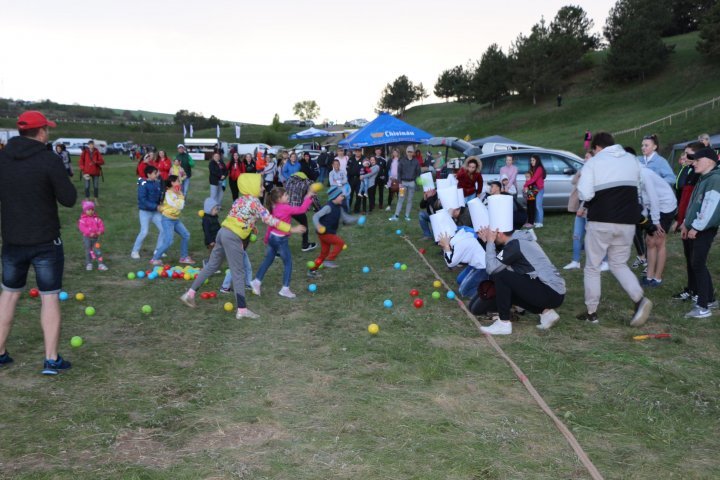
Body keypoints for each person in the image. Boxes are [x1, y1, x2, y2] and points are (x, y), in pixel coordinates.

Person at [0, 111, 77, 375]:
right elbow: (69, 198)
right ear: (41, 132)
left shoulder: (2, 158)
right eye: (47, 129)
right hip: (45, 241)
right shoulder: (48, 160)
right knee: (49, 297)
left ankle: (0, 352)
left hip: (12, 241)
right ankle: (51, 359)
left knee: (8, 295)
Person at [180, 174, 305, 318]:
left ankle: (189, 294)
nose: (263, 188)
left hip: (222, 233)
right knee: (238, 272)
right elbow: (271, 220)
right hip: (232, 237)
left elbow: (239, 216)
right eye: (260, 185)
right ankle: (242, 310)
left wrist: (251, 226)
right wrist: (292, 229)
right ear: (252, 187)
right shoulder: (255, 203)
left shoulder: (240, 200)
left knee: (212, 266)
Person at [576, 132, 652, 327]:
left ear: (597, 147)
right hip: (627, 222)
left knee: (593, 267)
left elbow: (585, 193)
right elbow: (638, 188)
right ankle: (639, 299)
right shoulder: (632, 160)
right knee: (619, 264)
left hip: (601, 220)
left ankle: (592, 312)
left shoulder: (593, 162)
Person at [476, 226, 566, 335]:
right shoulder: (518, 240)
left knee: (500, 275)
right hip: (553, 292)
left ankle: (503, 323)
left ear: (499, 234)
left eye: (493, 234)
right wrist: (488, 242)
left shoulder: (515, 245)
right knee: (507, 287)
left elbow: (492, 268)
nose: (492, 236)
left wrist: (490, 242)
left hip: (551, 292)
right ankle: (546, 314)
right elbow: (499, 260)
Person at [251, 186, 316, 298]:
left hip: (272, 238)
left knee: (268, 259)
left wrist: (267, 239)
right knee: (288, 263)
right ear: (279, 199)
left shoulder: (275, 207)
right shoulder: (285, 208)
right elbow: (301, 210)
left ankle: (256, 281)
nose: (288, 196)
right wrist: (309, 197)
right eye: (286, 195)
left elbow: (271, 225)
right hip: (280, 240)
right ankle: (285, 289)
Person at [681, 147, 720, 318]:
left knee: (698, 263)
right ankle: (710, 299)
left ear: (710, 161)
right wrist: (685, 223)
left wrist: (697, 226)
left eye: (697, 160)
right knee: (697, 262)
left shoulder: (715, 180)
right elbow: (695, 204)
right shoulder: (704, 178)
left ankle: (703, 307)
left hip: (704, 229)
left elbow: (710, 207)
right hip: (697, 227)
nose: (694, 163)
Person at [672, 142, 704, 302]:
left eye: (688, 154)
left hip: (692, 222)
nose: (684, 157)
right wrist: (679, 219)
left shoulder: (699, 174)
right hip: (684, 220)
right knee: (688, 257)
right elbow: (684, 199)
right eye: (684, 154)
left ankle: (700, 292)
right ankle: (692, 289)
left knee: (695, 259)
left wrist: (686, 220)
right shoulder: (690, 171)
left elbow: (695, 201)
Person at [638, 166, 677, 287]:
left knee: (659, 241)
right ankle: (649, 276)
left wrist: (655, 221)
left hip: (665, 206)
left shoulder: (645, 174)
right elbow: (642, 198)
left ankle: (657, 278)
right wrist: (645, 218)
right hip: (653, 207)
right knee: (650, 241)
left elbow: (654, 198)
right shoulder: (632, 175)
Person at [309, 186, 358, 273]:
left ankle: (312, 270)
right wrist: (318, 226)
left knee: (324, 254)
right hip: (325, 233)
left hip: (328, 233)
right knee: (340, 243)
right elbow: (315, 216)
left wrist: (357, 219)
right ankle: (329, 260)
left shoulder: (339, 207)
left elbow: (346, 219)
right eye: (341, 195)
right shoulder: (328, 207)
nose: (343, 197)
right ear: (334, 197)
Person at [151, 175, 194, 266]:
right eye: (178, 181)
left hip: (175, 219)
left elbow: (180, 205)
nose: (180, 182)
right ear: (172, 183)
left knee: (186, 235)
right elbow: (180, 206)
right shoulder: (168, 194)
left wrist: (179, 195)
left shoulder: (176, 193)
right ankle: (155, 258)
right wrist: (181, 196)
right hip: (167, 220)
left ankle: (184, 257)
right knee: (169, 241)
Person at [438, 229, 488, 298]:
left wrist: (446, 246)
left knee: (464, 292)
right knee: (460, 280)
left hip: (484, 268)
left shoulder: (459, 244)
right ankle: (482, 283)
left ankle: (488, 291)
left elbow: (450, 263)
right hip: (475, 265)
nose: (439, 244)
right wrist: (446, 247)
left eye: (440, 241)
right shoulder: (458, 239)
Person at [131, 165, 164, 259]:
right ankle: (134, 251)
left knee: (163, 229)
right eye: (155, 173)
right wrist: (156, 206)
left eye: (157, 172)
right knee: (144, 232)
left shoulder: (157, 182)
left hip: (156, 212)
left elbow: (159, 195)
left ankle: (158, 250)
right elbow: (142, 200)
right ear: (149, 174)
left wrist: (161, 202)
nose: (157, 174)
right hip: (145, 212)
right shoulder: (143, 184)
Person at [285, 172, 318, 251]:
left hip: (285, 207)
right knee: (304, 223)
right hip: (296, 208)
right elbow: (314, 198)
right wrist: (318, 209)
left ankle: (277, 250)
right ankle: (305, 244)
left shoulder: (289, 180)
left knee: (282, 227)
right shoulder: (307, 182)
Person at [389, 146, 421, 221]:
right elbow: (399, 172)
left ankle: (407, 216)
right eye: (408, 151)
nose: (409, 153)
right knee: (401, 199)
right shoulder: (402, 161)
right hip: (403, 183)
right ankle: (396, 216)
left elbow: (418, 172)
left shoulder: (416, 161)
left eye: (411, 151)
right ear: (406, 152)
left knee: (409, 200)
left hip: (412, 183)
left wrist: (415, 180)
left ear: (413, 153)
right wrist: (400, 182)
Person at [77, 200, 107, 271]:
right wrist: (89, 233)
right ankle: (89, 263)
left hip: (96, 239)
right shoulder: (82, 220)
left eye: (92, 209)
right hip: (87, 238)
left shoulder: (97, 219)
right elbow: (82, 228)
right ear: (85, 210)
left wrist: (100, 231)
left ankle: (101, 264)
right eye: (88, 210)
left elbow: (101, 226)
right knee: (88, 251)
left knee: (98, 251)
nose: (91, 211)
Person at [78, 140, 105, 204]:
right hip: (87, 172)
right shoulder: (85, 152)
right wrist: (83, 168)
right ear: (88, 145)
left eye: (92, 144)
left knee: (96, 187)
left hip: (96, 172)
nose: (91, 146)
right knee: (87, 186)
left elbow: (102, 161)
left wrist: (96, 162)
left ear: (94, 145)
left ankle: (96, 200)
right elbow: (81, 161)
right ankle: (87, 199)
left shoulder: (97, 152)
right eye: (90, 144)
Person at [523, 154, 546, 228]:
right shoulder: (532, 169)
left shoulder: (539, 168)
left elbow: (534, 179)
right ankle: (535, 221)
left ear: (537, 160)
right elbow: (529, 179)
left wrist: (525, 185)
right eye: (531, 160)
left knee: (538, 205)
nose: (531, 162)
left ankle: (540, 222)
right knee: (533, 205)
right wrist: (526, 185)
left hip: (539, 189)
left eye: (533, 160)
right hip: (533, 189)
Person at [347, 148, 364, 213]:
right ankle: (348, 208)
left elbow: (368, 168)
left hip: (359, 179)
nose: (357, 153)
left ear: (361, 152)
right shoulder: (351, 159)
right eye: (356, 151)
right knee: (349, 195)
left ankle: (357, 209)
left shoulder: (364, 159)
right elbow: (347, 168)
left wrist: (363, 175)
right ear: (354, 152)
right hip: (351, 179)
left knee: (358, 195)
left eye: (359, 151)